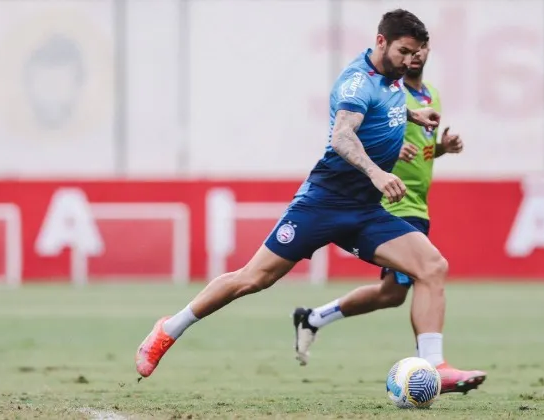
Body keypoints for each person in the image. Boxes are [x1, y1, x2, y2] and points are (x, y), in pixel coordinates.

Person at [134, 9, 484, 388]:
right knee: (252, 278)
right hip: (323, 204)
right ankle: (169, 329)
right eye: (403, 51)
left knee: (432, 266)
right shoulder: (355, 83)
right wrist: (378, 173)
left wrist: (414, 117)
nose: (408, 60)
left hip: (365, 211)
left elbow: (385, 107)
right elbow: (342, 136)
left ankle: (435, 367)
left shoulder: (392, 77)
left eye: (415, 52)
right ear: (381, 41)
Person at [291, 42, 485, 394]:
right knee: (425, 272)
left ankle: (313, 317)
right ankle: (431, 366)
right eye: (409, 50)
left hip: (418, 204)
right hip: (392, 203)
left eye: (423, 49)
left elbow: (424, 151)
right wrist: (389, 156)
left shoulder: (431, 95)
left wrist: (442, 148)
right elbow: (360, 141)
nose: (416, 57)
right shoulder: (386, 92)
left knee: (393, 293)